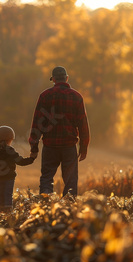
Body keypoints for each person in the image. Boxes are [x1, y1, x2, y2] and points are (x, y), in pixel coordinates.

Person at [28, 66, 90, 197]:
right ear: (67, 78)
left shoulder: (45, 96)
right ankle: (67, 211)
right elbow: (83, 124)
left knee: (46, 179)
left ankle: (45, 206)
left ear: (54, 79)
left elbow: (37, 122)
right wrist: (83, 147)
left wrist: (34, 147)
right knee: (71, 182)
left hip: (50, 146)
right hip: (69, 146)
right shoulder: (77, 97)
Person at [0, 125, 35, 212]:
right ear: (10, 139)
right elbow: (20, 161)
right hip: (9, 178)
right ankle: (8, 212)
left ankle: (0, 211)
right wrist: (31, 159)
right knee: (8, 195)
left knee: (0, 195)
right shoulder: (10, 151)